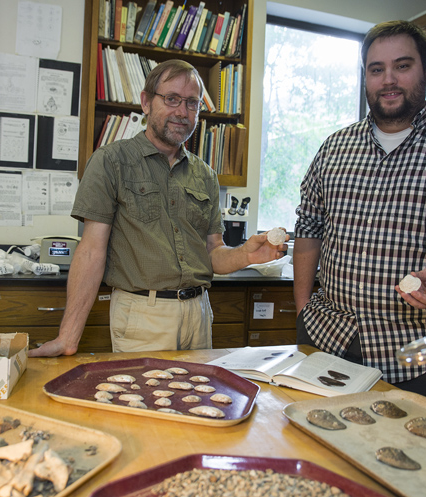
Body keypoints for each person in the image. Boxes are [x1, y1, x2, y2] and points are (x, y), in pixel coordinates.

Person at [292, 21, 426, 407]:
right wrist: (302, 312)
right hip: (328, 340)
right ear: (365, 77)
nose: (388, 79)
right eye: (376, 69)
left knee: (409, 462)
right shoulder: (334, 149)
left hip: (417, 355)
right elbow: (309, 228)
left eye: (403, 65)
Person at [29, 59, 287, 357]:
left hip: (199, 314)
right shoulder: (111, 161)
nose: (182, 112)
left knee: (197, 401)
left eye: (192, 103)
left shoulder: (205, 176)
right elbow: (91, 251)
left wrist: (246, 255)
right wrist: (68, 336)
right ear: (146, 102)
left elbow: (212, 253)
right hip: (142, 315)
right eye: (171, 99)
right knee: (144, 402)